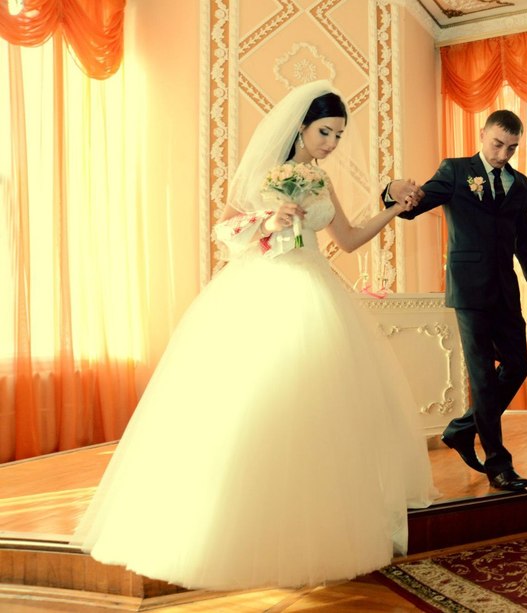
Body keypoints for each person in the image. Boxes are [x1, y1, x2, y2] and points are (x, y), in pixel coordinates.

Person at [71, 80, 437, 591]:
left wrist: (395, 210)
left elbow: (350, 239)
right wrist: (270, 218)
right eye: (324, 132)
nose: (331, 143)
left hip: (316, 287)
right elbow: (224, 232)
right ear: (301, 127)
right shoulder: (266, 173)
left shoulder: (319, 179)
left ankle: (312, 526)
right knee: (254, 405)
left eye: (337, 135)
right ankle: (228, 528)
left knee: (318, 409)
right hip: (265, 288)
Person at [385, 111, 527, 492]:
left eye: (512, 148)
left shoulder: (520, 183)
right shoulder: (455, 171)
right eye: (497, 144)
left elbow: (524, 241)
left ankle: (462, 429)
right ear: (482, 134)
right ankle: (498, 464)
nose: (503, 154)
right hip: (468, 290)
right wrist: (393, 191)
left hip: (506, 290)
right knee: (481, 375)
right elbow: (413, 207)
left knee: (517, 366)